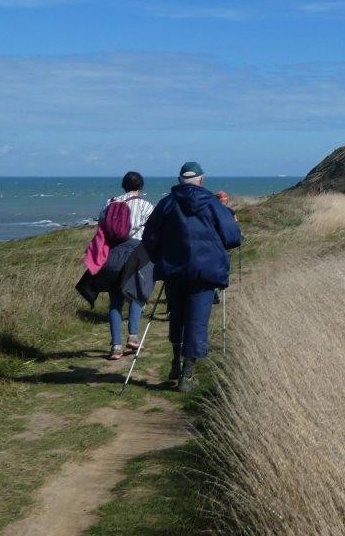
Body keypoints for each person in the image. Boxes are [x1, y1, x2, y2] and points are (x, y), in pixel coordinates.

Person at [142, 161, 242, 392]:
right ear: (201, 180)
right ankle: (187, 375)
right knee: (197, 320)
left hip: (174, 271)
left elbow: (149, 237)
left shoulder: (166, 204)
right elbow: (233, 237)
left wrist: (162, 258)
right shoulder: (213, 205)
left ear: (179, 181)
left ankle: (176, 363)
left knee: (176, 315)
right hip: (205, 271)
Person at [97, 171, 154, 360]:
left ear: (123, 185)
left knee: (115, 301)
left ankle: (115, 347)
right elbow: (152, 230)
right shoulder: (146, 205)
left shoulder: (110, 202)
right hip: (137, 253)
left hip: (113, 254)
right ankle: (134, 336)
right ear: (141, 186)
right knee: (137, 293)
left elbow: (101, 224)